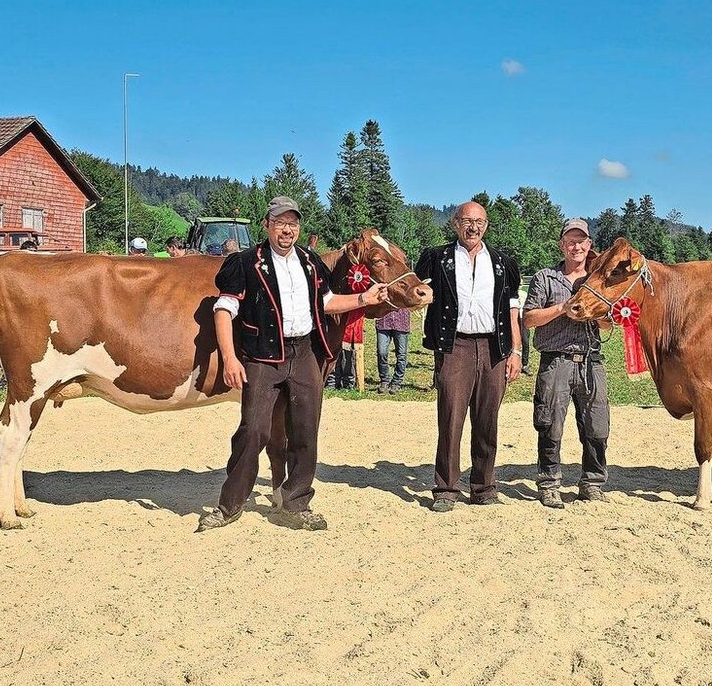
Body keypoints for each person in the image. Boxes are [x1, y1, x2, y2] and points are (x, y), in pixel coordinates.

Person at [199, 196, 388, 533]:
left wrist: (364, 298)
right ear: (267, 225)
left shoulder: (311, 262)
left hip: (304, 355)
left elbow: (328, 302)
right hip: (262, 358)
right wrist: (229, 357)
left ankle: (296, 504)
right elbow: (224, 310)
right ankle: (230, 505)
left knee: (305, 430)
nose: (287, 229)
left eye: (293, 223)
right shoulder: (245, 263)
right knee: (253, 430)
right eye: (280, 222)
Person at [415, 201, 523, 512]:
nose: (472, 227)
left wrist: (516, 351)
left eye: (478, 221)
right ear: (455, 224)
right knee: (451, 417)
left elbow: (512, 310)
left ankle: (484, 486)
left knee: (487, 419)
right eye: (466, 220)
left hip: (494, 348)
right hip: (454, 346)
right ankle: (446, 488)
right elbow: (418, 292)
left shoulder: (504, 263)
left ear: (486, 225)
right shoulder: (436, 258)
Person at [522, 218, 612, 508]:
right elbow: (529, 318)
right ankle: (549, 483)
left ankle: (592, 482)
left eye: (581, 241)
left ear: (589, 245)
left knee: (597, 428)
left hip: (591, 361)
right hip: (556, 361)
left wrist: (591, 313)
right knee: (550, 425)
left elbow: (609, 325)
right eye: (570, 241)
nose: (576, 246)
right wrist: (563, 308)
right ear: (562, 245)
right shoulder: (545, 278)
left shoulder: (598, 280)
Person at [374, 305, 412, 394]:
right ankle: (384, 380)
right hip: (383, 321)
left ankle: (397, 381)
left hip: (401, 322)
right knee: (381, 352)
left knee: (401, 354)